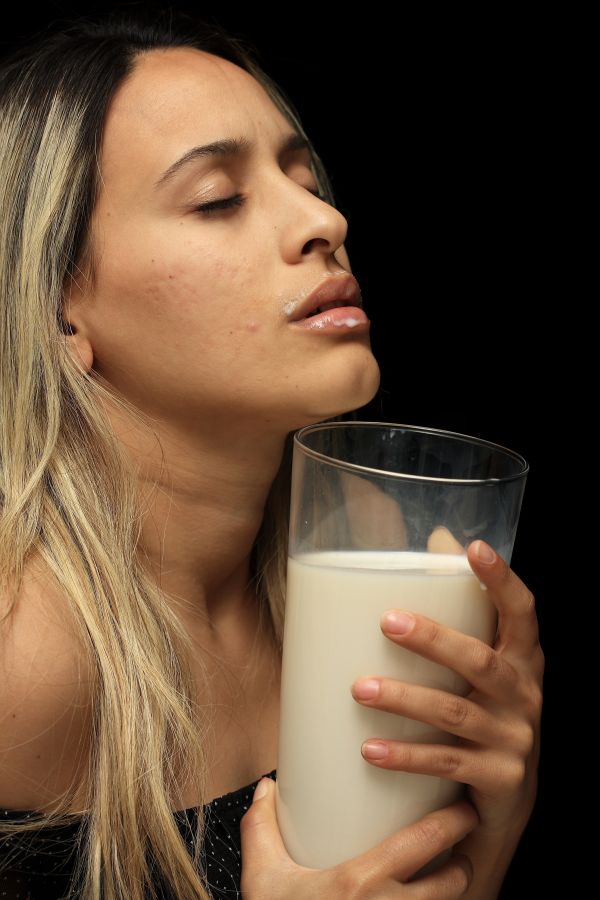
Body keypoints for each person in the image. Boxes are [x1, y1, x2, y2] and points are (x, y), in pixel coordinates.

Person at [0, 8, 544, 899]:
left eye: (305, 177)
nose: (324, 218)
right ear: (63, 308)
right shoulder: (25, 654)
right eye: (218, 198)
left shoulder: (359, 544)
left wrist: (482, 838)